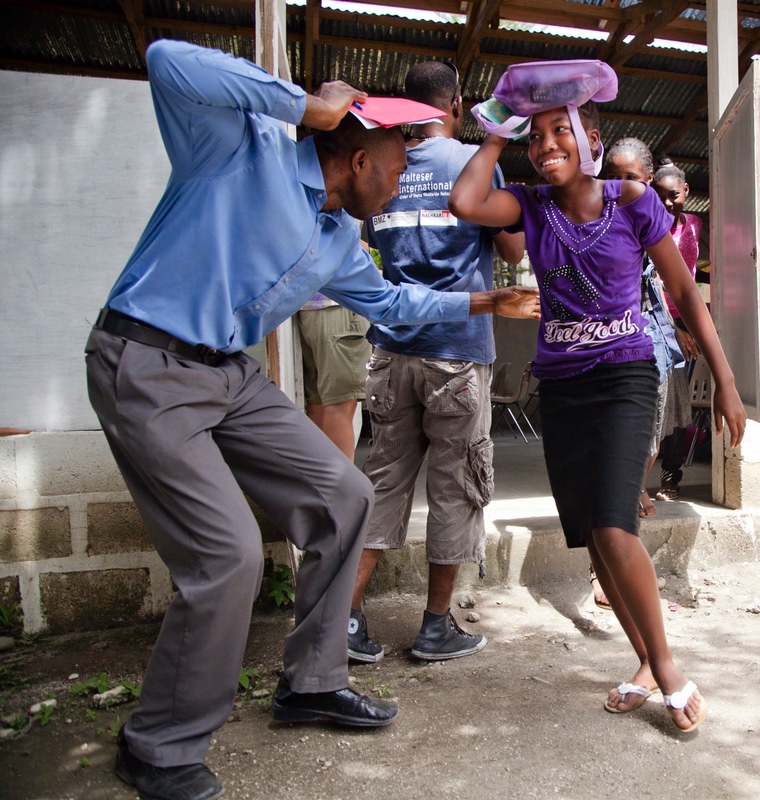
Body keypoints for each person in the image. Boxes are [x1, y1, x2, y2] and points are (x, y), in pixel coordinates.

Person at [85, 40, 538, 800]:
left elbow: (392, 304)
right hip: (146, 361)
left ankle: (313, 683)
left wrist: (485, 301)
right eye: (393, 173)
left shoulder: (336, 239)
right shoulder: (241, 149)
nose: (397, 191)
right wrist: (300, 104)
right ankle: (157, 744)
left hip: (228, 372)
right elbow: (167, 59)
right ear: (357, 161)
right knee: (228, 554)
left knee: (345, 494)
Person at [449, 60, 746, 734]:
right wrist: (497, 131)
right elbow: (468, 203)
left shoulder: (632, 201)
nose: (548, 146)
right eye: (538, 136)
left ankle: (666, 667)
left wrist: (726, 382)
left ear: (591, 140)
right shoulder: (528, 204)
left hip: (624, 377)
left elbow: (683, 297)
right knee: (595, 541)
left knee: (617, 525)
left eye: (563, 133)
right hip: (563, 387)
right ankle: (644, 662)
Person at [347, 60, 525, 664]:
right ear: (454, 105)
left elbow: (378, 242)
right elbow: (513, 246)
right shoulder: (472, 164)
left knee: (382, 484)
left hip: (391, 350)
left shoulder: (387, 164)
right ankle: (435, 627)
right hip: (457, 353)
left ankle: (345, 622)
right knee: (456, 488)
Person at [586, 137, 696, 611]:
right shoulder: (600, 221)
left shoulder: (655, 224)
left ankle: (628, 503)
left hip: (649, 347)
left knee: (647, 445)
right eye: (613, 176)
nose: (620, 186)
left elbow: (683, 292)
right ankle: (602, 571)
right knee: (618, 457)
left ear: (647, 180)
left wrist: (725, 378)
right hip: (613, 354)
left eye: (631, 178)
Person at [651, 160, 707, 502]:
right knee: (657, 399)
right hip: (656, 320)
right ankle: (639, 473)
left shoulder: (696, 225)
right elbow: (652, 282)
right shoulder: (649, 227)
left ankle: (671, 476)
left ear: (686, 192)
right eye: (660, 196)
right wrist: (674, 330)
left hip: (684, 321)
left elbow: (693, 274)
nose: (668, 203)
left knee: (680, 402)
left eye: (673, 195)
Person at [298, 292, 372, 459]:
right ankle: (341, 484)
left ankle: (323, 482)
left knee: (318, 404)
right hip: (340, 302)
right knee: (340, 405)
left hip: (307, 306)